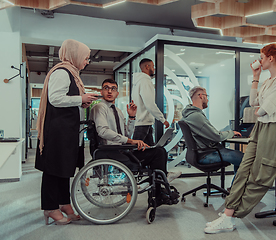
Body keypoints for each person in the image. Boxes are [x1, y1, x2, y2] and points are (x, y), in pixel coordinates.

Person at [204, 43, 276, 234]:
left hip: (275, 128)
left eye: (262, 57)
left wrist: (260, 110)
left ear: (270, 58)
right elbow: (253, 102)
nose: (260, 61)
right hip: (261, 127)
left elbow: (267, 108)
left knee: (260, 175)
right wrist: (256, 78)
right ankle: (228, 214)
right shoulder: (268, 81)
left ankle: (231, 215)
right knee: (244, 170)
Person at [35, 39, 98, 225]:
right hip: (57, 131)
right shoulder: (62, 72)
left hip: (66, 130)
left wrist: (82, 101)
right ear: (75, 55)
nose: (87, 62)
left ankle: (63, 203)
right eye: (85, 58)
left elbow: (66, 99)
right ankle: (50, 208)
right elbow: (55, 99)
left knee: (63, 168)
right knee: (53, 170)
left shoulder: (71, 73)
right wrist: (81, 98)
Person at [90, 79, 181, 191]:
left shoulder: (118, 111)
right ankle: (160, 186)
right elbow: (103, 131)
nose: (109, 91)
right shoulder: (99, 108)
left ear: (117, 93)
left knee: (159, 151)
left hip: (122, 149)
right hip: (111, 151)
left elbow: (126, 134)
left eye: (113, 89)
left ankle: (160, 185)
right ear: (101, 92)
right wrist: (131, 141)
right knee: (156, 154)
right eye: (106, 88)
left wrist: (132, 117)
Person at [181, 86, 244, 186]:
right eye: (207, 96)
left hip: (201, 153)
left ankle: (236, 189)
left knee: (239, 156)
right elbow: (217, 137)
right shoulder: (196, 116)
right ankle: (235, 191)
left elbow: (211, 134)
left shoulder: (191, 115)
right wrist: (231, 133)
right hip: (206, 155)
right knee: (244, 159)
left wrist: (223, 133)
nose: (208, 99)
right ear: (201, 96)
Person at [132, 58, 170, 146]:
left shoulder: (138, 82)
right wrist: (163, 119)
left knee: (150, 152)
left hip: (144, 123)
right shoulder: (145, 81)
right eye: (153, 66)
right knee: (135, 152)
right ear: (147, 67)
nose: (154, 69)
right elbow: (150, 104)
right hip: (143, 124)